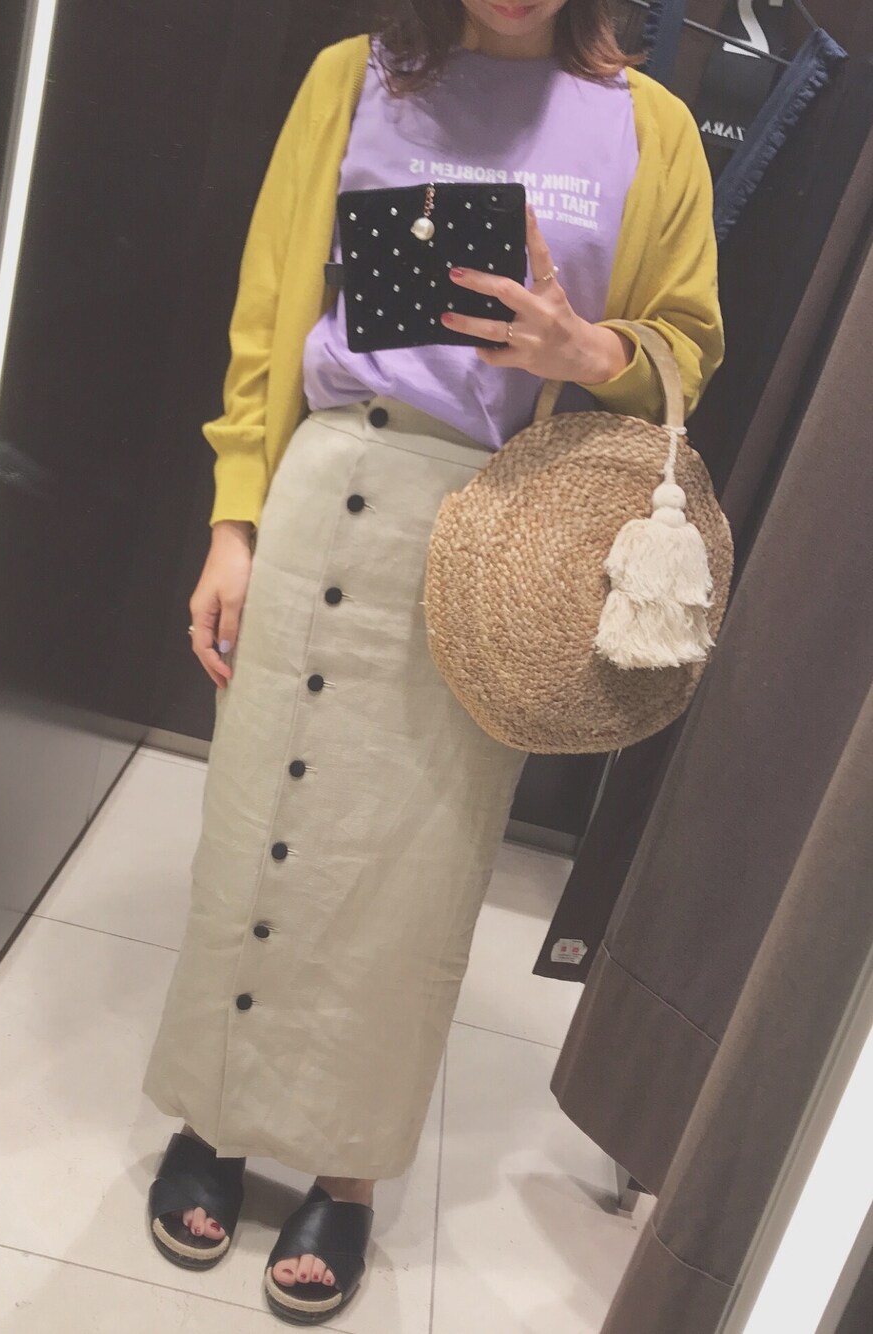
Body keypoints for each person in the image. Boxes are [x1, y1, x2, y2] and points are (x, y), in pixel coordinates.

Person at [142, 0, 723, 1324]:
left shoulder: (652, 129)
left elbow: (689, 340)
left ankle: (345, 1174)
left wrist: (589, 352)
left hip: (493, 535)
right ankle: (213, 1120)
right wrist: (235, 519)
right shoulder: (350, 80)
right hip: (325, 480)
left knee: (413, 871)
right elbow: (269, 308)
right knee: (256, 832)